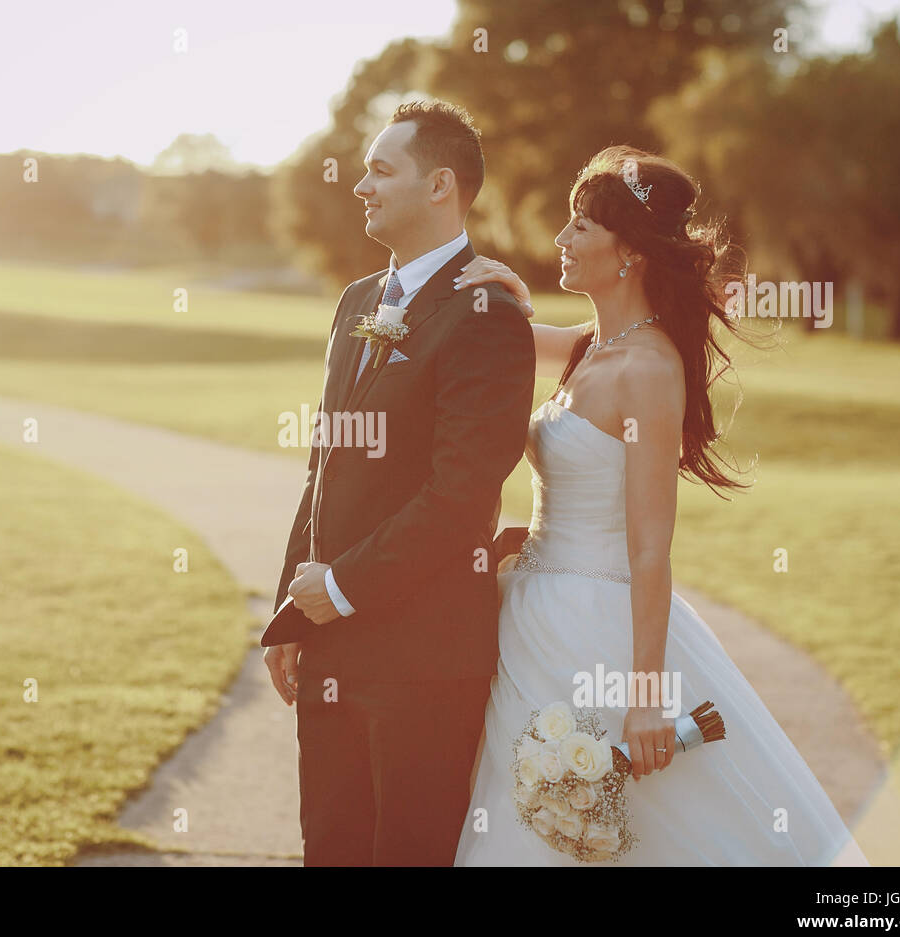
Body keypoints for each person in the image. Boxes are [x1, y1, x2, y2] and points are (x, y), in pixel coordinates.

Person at [452, 146, 868, 865]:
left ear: (631, 254)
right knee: (524, 815)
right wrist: (496, 291)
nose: (561, 239)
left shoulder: (647, 370)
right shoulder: (591, 349)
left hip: (596, 629)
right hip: (531, 616)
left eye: (581, 225)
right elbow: (507, 337)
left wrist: (644, 698)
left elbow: (649, 547)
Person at [266, 100, 535, 866]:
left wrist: (342, 586)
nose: (361, 186)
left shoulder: (486, 313)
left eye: (382, 170)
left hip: (424, 661)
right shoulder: (356, 301)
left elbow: (463, 495)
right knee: (332, 848)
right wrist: (296, 604)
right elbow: (327, 466)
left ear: (440, 185)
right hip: (327, 646)